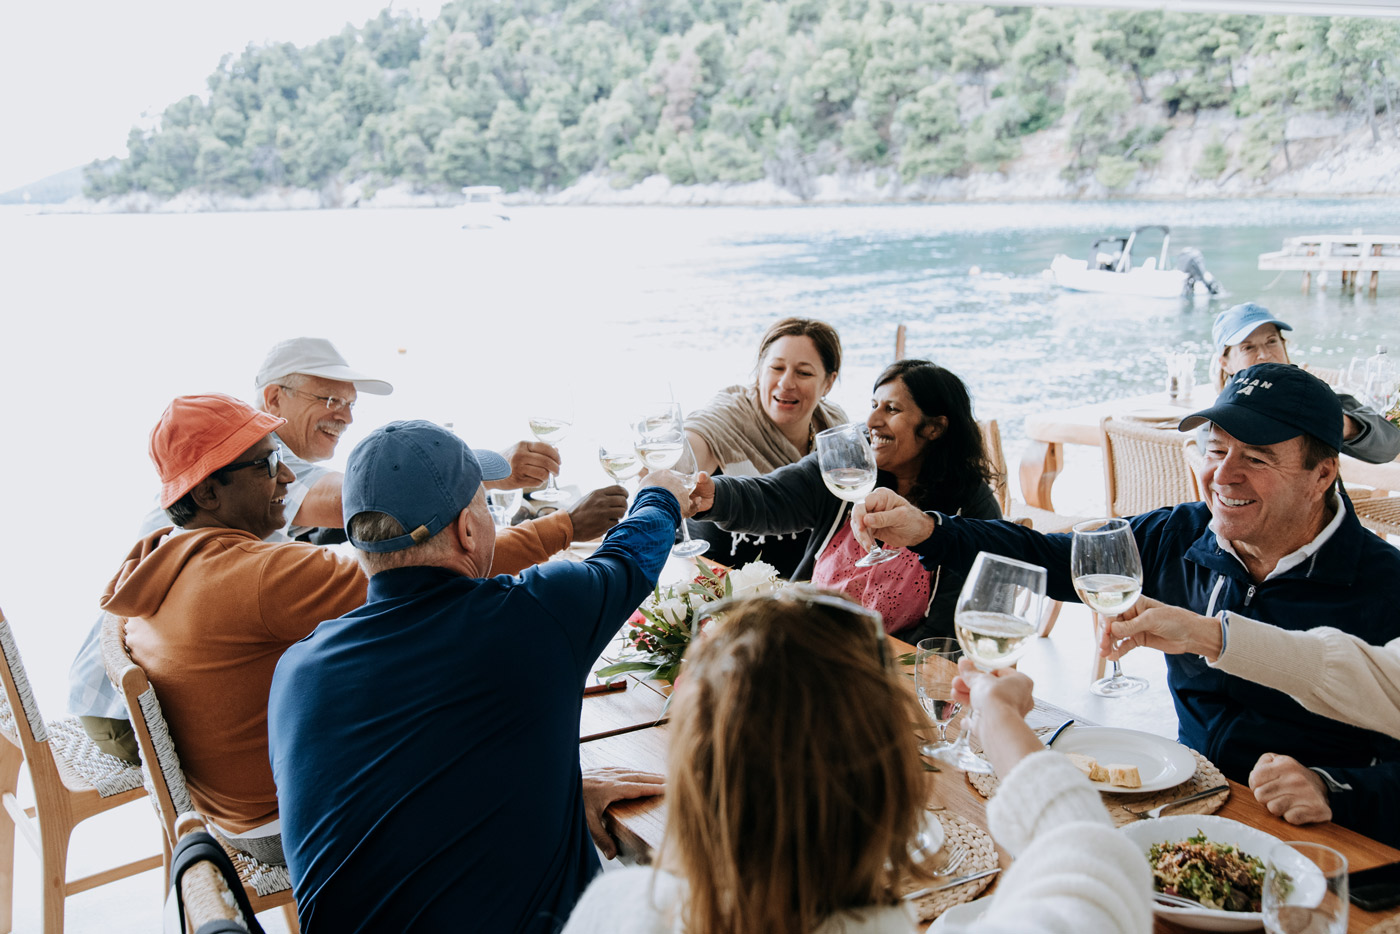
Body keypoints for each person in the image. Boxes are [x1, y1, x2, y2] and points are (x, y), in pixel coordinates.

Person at [852, 363, 1400, 846]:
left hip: (1326, 834)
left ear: (1322, 474)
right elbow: (1048, 555)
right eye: (1215, 450)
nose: (1223, 474)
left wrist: (1335, 788)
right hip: (1189, 803)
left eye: (1256, 458)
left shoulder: (1385, 584)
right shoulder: (1181, 533)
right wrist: (929, 530)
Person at [69, 336, 623, 762]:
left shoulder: (182, 531)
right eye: (331, 398)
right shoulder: (249, 549)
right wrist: (554, 521)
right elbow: (409, 556)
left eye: (351, 404)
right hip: (149, 735)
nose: (347, 416)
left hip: (134, 707)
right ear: (274, 399)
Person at [267, 420, 692, 933]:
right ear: (468, 530)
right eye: (484, 504)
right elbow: (631, 557)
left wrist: (552, 788)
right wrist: (660, 494)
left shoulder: (295, 670)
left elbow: (402, 787)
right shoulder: (533, 615)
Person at [561, 589, 1152, 934]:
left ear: (694, 778)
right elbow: (1092, 863)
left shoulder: (613, 914)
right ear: (900, 787)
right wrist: (999, 719)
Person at [101, 393, 369, 865]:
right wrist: (517, 529)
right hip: (296, 819)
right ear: (208, 493)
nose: (288, 477)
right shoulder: (256, 574)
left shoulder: (162, 560)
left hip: (232, 816)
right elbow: (417, 570)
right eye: (269, 464)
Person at [690, 360, 1001, 643]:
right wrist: (713, 496)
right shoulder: (851, 466)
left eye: (891, 409)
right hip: (802, 640)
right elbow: (771, 496)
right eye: (874, 405)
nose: (872, 420)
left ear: (934, 428)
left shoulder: (972, 510)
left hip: (890, 670)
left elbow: (945, 635)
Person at [683, 317, 847, 575]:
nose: (786, 383)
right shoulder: (728, 418)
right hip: (717, 586)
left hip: (803, 589)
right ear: (760, 371)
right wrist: (669, 462)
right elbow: (692, 448)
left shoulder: (835, 428)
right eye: (776, 368)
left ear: (828, 382)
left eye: (804, 373)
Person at [1208, 302, 1400, 463]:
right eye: (1248, 347)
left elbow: (1391, 444)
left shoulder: (1312, 396)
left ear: (1284, 345)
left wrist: (1341, 425)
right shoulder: (1216, 417)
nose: (1265, 354)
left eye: (1271, 341)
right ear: (1225, 363)